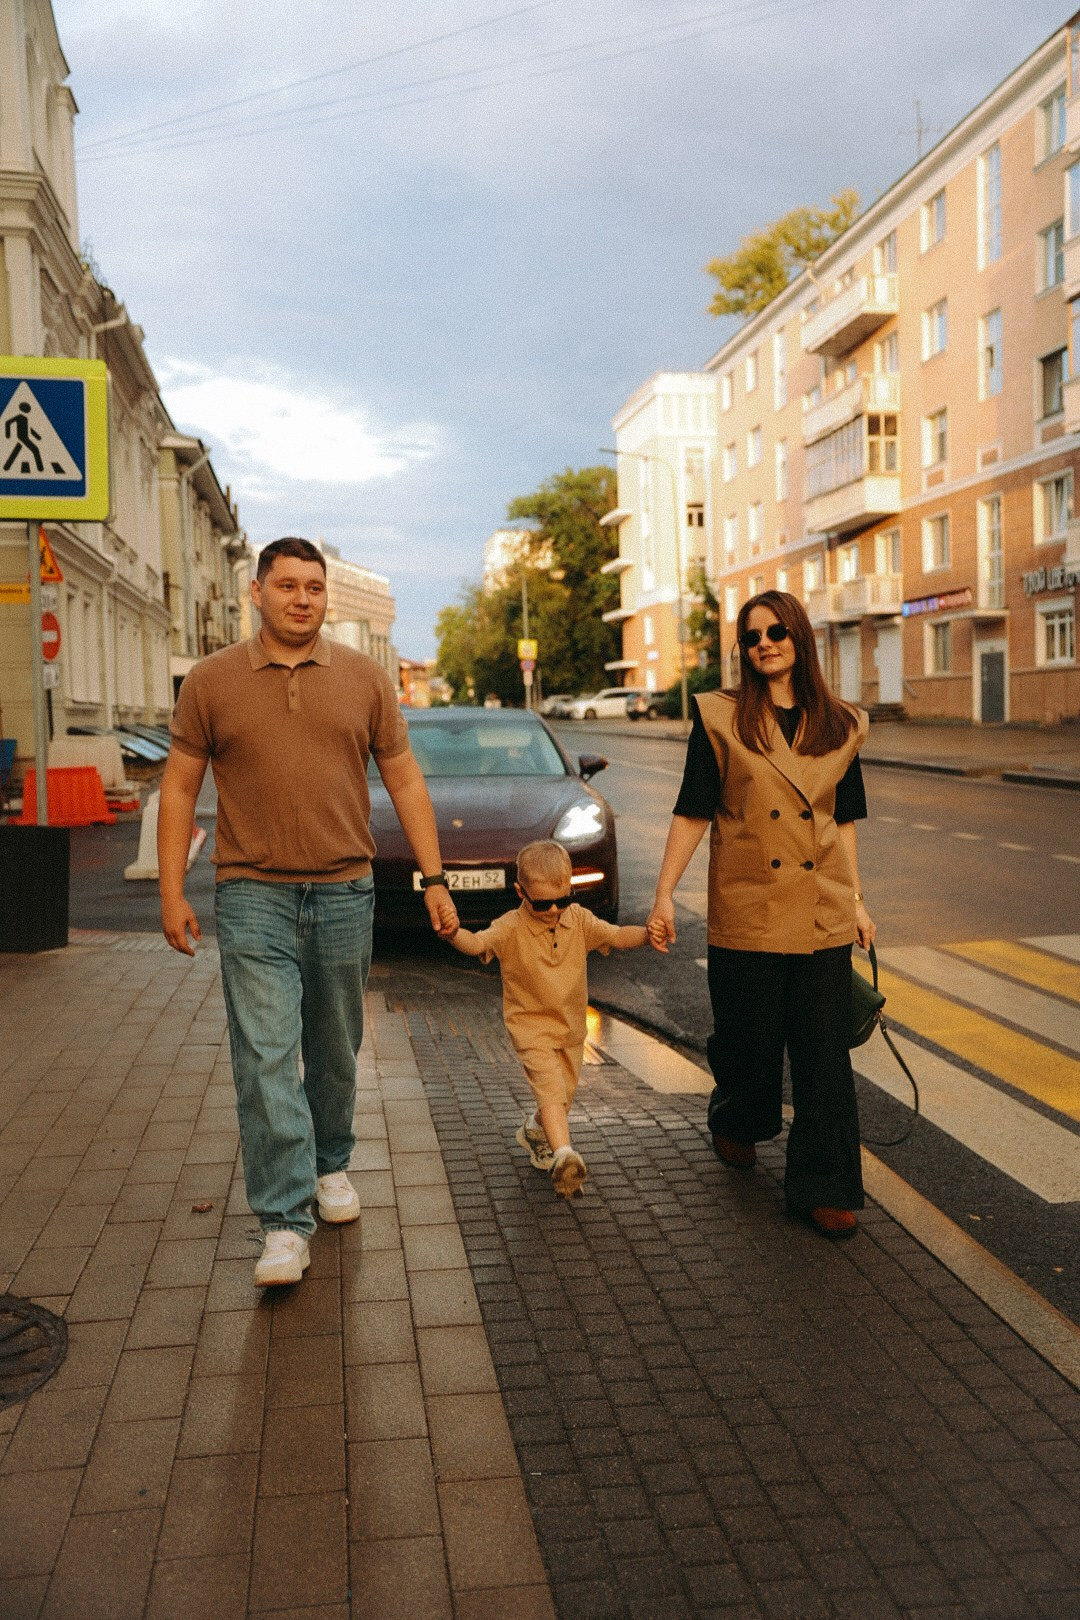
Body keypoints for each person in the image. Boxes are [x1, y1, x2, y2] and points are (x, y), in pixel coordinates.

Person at [158, 537, 458, 1286]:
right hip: (251, 891)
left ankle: (330, 1166)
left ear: (327, 598)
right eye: (286, 585)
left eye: (314, 587)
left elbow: (406, 779)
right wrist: (171, 890)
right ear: (254, 592)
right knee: (263, 1057)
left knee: (334, 1045)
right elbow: (177, 789)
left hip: (344, 889)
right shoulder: (211, 681)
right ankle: (284, 1222)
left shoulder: (364, 678)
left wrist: (435, 878)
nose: (302, 598)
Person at [647, 589, 875, 1238]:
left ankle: (824, 1185)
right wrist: (664, 893)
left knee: (824, 1057)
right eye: (751, 636)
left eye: (776, 631)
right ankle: (738, 1119)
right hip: (746, 906)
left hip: (821, 909)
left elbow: (844, 821)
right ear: (742, 650)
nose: (765, 643)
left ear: (799, 635)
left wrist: (857, 901)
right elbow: (694, 810)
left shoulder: (842, 723)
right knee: (749, 1047)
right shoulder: (720, 718)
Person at [449, 839, 655, 1198]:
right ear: (520, 893)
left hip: (571, 1029)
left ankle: (534, 1131)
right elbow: (477, 944)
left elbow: (617, 935)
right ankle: (564, 1155)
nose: (555, 910)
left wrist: (648, 935)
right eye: (544, 904)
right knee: (551, 1091)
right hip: (530, 1029)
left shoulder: (578, 920)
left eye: (564, 899)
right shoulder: (510, 927)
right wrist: (452, 932)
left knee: (560, 1099)